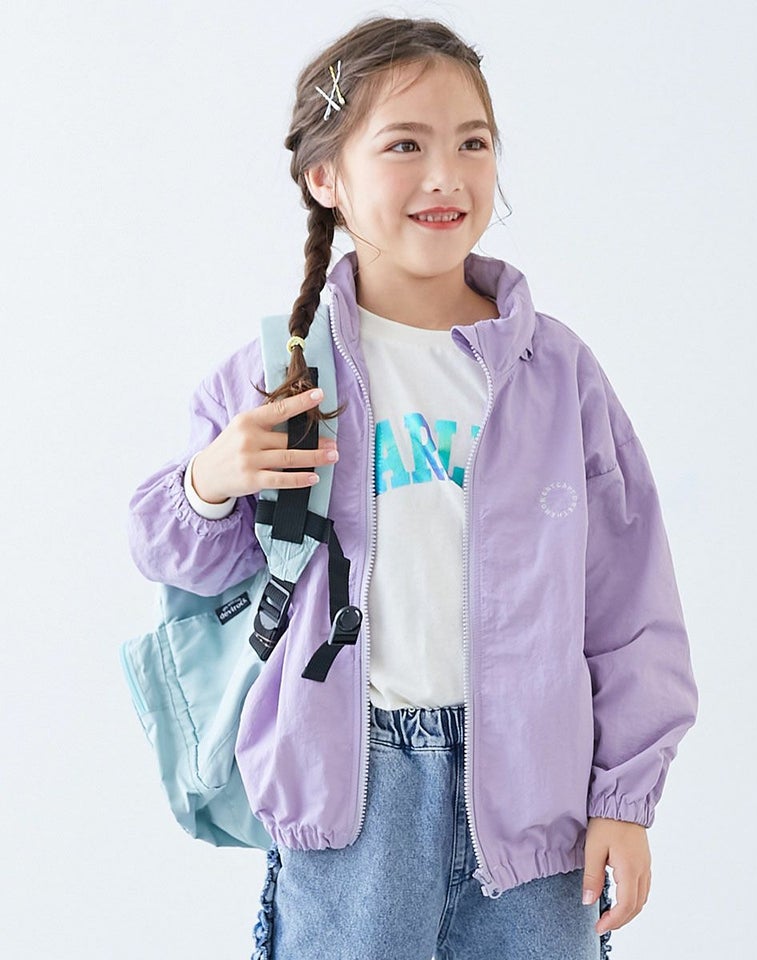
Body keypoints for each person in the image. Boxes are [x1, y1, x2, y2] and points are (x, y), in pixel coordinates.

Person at [127, 15, 699, 960]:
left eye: (473, 143)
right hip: (349, 801)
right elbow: (166, 550)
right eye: (404, 146)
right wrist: (211, 480)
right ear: (326, 178)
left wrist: (626, 799)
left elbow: (631, 600)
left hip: (539, 803)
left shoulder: (557, 374)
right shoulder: (284, 375)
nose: (447, 176)